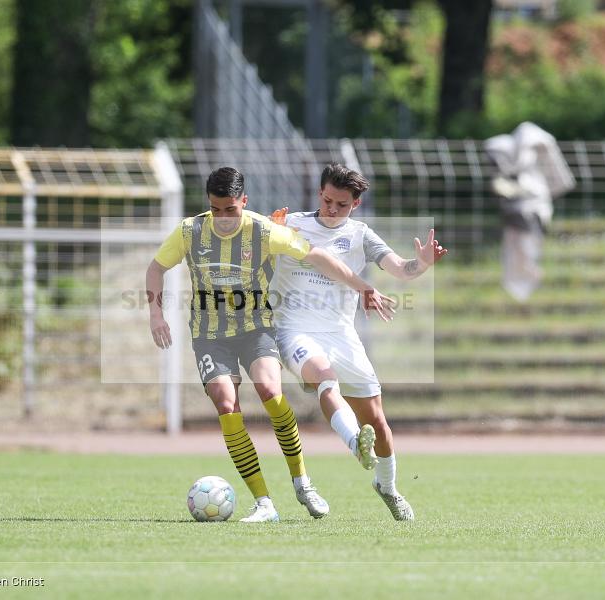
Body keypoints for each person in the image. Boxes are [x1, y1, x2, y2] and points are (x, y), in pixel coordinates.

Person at [146, 166, 394, 522]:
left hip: (255, 328)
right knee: (225, 403)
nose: (223, 219)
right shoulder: (189, 231)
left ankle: (302, 482)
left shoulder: (263, 229)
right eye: (215, 210)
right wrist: (156, 315)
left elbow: (318, 257)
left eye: (230, 209)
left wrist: (364, 287)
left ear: (244, 202)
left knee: (269, 391)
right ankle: (264, 503)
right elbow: (156, 268)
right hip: (210, 335)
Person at [270, 163, 447, 521]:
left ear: (356, 204)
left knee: (378, 422)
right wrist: (269, 235)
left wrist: (422, 264)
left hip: (341, 334)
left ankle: (388, 486)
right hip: (294, 329)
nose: (332, 210)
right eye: (327, 200)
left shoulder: (361, 234)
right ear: (319, 194)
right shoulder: (290, 224)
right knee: (323, 375)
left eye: (341, 204)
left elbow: (400, 268)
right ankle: (354, 443)